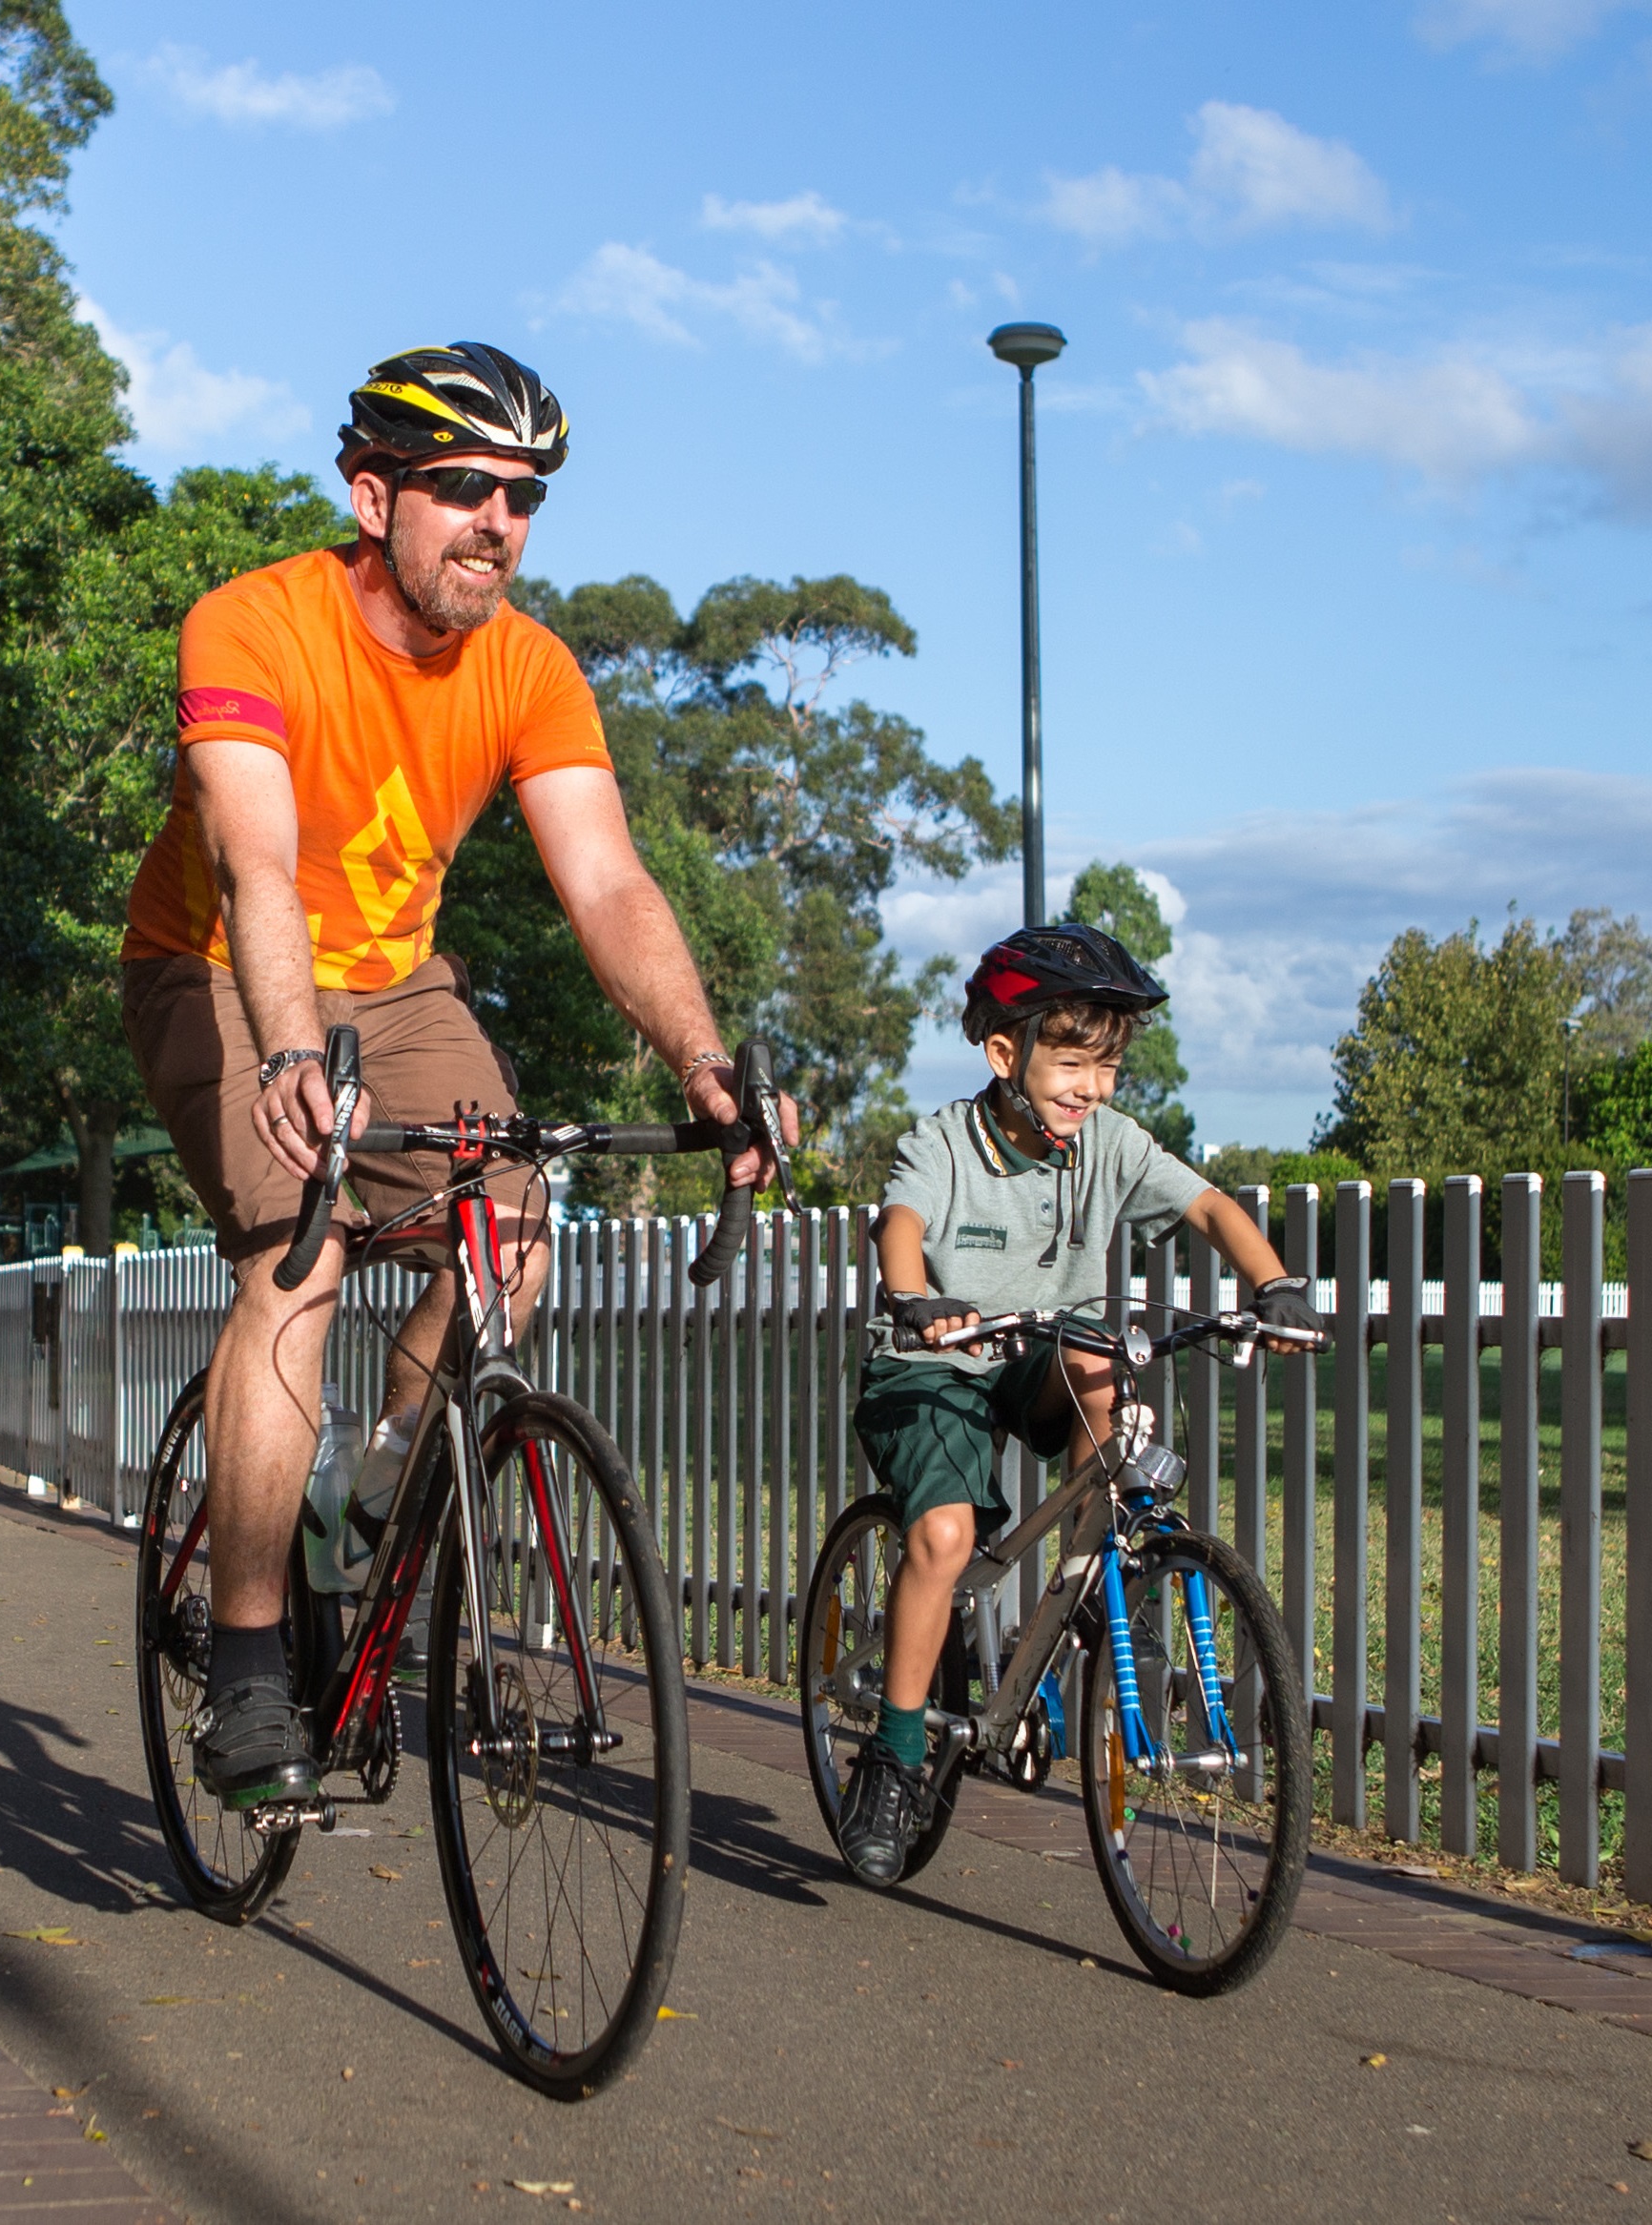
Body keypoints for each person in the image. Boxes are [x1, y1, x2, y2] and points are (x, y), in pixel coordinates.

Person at [117, 340, 792, 1808]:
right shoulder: (250, 622)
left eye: (527, 497)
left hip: (402, 979)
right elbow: (254, 864)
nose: (499, 521)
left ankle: (342, 1537)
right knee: (295, 1261)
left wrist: (699, 1056)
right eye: (465, 489)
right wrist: (292, 1055)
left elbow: (606, 883)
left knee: (508, 1229)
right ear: (372, 495)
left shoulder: (530, 668)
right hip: (220, 965)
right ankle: (241, 1668)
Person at [836, 923, 1323, 1886]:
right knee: (939, 1535)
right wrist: (915, 1294)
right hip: (934, 1363)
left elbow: (1210, 1206)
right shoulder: (944, 1142)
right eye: (1071, 1064)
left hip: (1039, 1356)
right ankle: (892, 1759)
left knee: (1104, 1367)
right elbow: (902, 1222)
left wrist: (1274, 1284)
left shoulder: (1105, 1143)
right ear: (1004, 1053)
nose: (1090, 1089)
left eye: (1105, 1070)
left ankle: (1096, 1593)